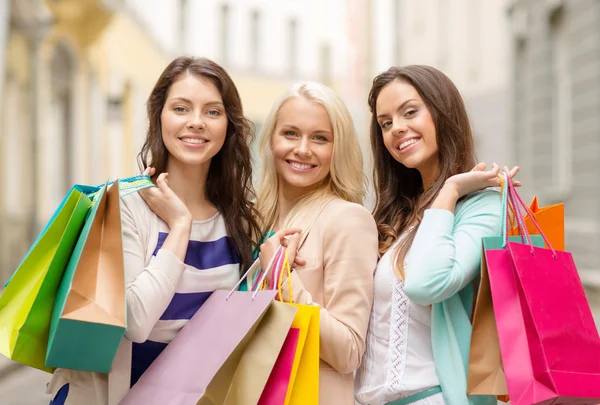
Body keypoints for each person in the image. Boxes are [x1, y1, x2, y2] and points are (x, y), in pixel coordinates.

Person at [47, 56, 261, 405]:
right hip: (112, 393)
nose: (196, 123)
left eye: (212, 111)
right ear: (159, 116)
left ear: (229, 125)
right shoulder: (126, 205)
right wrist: (180, 227)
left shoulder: (238, 218)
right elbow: (135, 321)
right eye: (181, 108)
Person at [355, 65, 520, 405]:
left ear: (442, 113)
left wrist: (450, 190)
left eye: (410, 112)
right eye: (385, 123)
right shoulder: (392, 216)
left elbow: (427, 284)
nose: (397, 128)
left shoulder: (481, 208)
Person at [252, 82, 379, 405]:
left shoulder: (348, 220)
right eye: (291, 133)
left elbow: (349, 350)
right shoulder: (253, 221)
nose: (303, 149)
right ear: (271, 140)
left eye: (320, 138)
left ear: (339, 149)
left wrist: (282, 277)